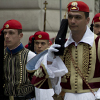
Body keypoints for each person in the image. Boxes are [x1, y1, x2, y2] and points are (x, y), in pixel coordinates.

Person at [26, 1, 100, 100]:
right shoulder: (61, 46)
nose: (73, 21)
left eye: (78, 17)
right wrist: (49, 60)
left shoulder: (98, 43)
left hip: (93, 96)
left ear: (87, 20)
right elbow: (40, 82)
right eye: (70, 17)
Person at [3, 19, 36, 100]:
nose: (7, 36)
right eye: (5, 33)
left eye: (11, 33)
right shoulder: (3, 54)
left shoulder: (30, 56)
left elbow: (39, 84)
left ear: (20, 36)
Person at [32, 31, 54, 100]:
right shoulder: (32, 60)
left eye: (42, 43)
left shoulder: (52, 59)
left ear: (48, 44)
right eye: (37, 43)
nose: (39, 46)